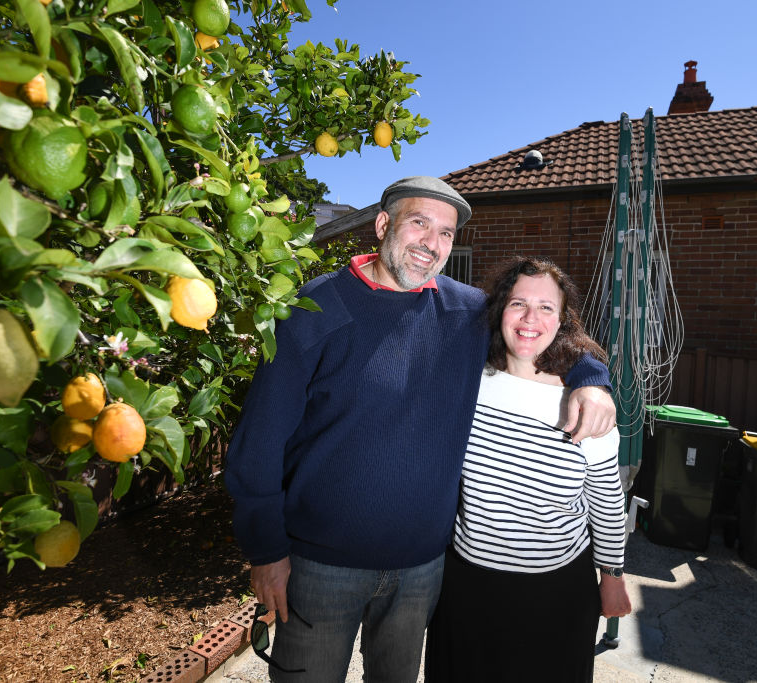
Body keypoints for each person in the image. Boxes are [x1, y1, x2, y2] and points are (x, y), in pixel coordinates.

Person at [225, 176, 618, 682]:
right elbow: (258, 442)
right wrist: (266, 550)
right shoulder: (315, 308)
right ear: (383, 224)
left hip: (421, 569)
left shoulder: (465, 312)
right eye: (419, 223)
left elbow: (541, 329)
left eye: (447, 233)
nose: (431, 244)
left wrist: (593, 379)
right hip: (321, 565)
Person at [424, 256, 632, 683]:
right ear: (500, 309)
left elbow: (607, 503)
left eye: (546, 307)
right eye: (518, 303)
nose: (530, 318)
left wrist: (612, 577)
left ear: (563, 320)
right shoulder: (468, 380)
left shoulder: (587, 402)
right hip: (466, 588)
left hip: (554, 595)